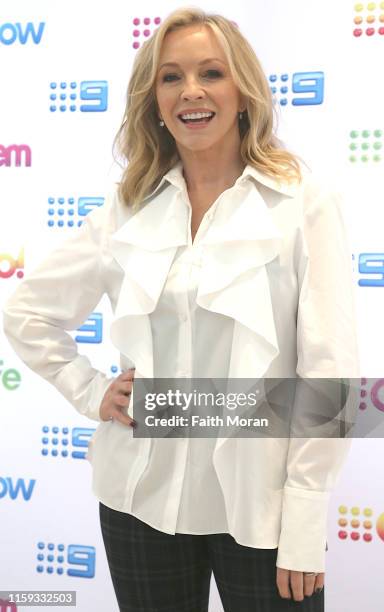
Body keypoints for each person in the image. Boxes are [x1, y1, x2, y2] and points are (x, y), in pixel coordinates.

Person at [2, 6, 360, 612]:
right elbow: (27, 311)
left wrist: (304, 520)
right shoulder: (130, 205)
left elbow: (328, 371)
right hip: (139, 498)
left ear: (244, 92)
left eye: (211, 73)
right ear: (155, 101)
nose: (191, 92)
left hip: (260, 507)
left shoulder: (303, 201)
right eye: (170, 77)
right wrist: (91, 392)